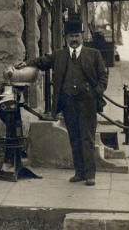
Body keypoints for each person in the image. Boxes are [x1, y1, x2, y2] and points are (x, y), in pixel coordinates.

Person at [16, 19, 108, 186]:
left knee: (87, 138)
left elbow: (103, 76)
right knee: (74, 138)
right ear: (66, 38)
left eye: (77, 36)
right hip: (68, 103)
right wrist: (27, 63)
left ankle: (90, 175)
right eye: (71, 36)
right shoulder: (59, 55)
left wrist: (95, 93)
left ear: (82, 37)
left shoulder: (94, 54)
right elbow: (42, 62)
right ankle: (79, 173)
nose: (74, 39)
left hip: (87, 103)